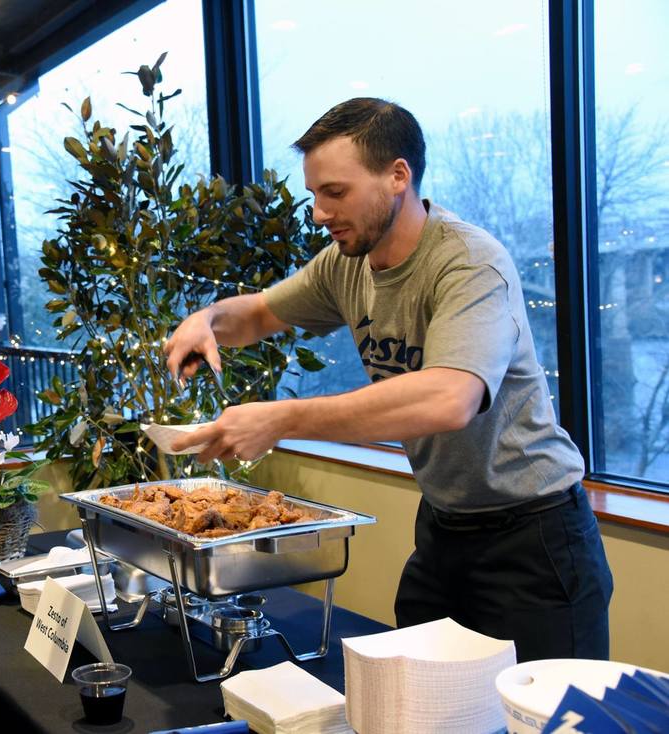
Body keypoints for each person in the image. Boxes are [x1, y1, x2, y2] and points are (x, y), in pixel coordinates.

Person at [165, 98, 613, 663]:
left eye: (335, 192)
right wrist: (206, 320)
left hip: (536, 534)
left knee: (538, 707)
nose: (320, 213)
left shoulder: (469, 262)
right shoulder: (346, 263)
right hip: (444, 527)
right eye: (315, 195)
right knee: (415, 695)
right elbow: (258, 313)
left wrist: (281, 419)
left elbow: (449, 398)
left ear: (397, 176)